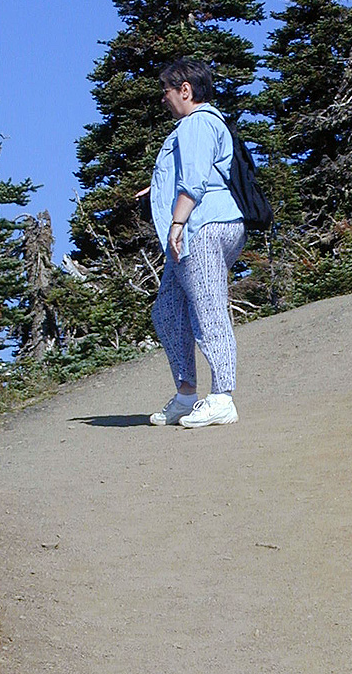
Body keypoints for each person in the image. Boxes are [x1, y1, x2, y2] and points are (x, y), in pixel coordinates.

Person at [147, 58, 245, 428]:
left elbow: (195, 180)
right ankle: (187, 393)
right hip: (199, 226)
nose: (164, 99)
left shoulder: (198, 122)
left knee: (208, 307)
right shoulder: (199, 125)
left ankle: (222, 396)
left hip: (203, 225)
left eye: (166, 91)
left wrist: (177, 221)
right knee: (169, 311)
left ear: (184, 90)